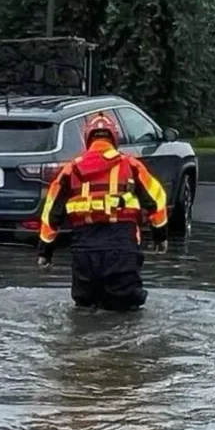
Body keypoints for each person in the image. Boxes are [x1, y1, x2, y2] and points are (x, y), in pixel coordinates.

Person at [36, 112, 168, 311]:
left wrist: (45, 252)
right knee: (126, 309)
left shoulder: (70, 170)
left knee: (85, 308)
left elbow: (51, 214)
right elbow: (156, 201)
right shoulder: (131, 165)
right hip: (122, 246)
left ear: (87, 139)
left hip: (84, 249)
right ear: (114, 137)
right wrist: (160, 236)